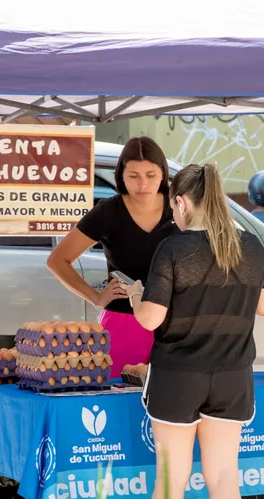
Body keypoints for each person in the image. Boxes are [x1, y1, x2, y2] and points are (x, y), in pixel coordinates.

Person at [124, 163, 264, 499]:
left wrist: (136, 295)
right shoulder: (251, 246)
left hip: (177, 376)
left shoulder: (173, 249)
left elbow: (151, 318)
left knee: (170, 477)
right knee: (225, 476)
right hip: (232, 375)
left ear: (181, 202)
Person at [47, 137, 177, 378]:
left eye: (150, 175)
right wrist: (96, 297)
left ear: (163, 174)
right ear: (121, 176)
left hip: (175, 323)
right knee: (120, 399)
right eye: (133, 176)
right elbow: (57, 260)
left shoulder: (179, 208)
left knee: (172, 405)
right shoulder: (108, 212)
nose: (142, 184)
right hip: (123, 323)